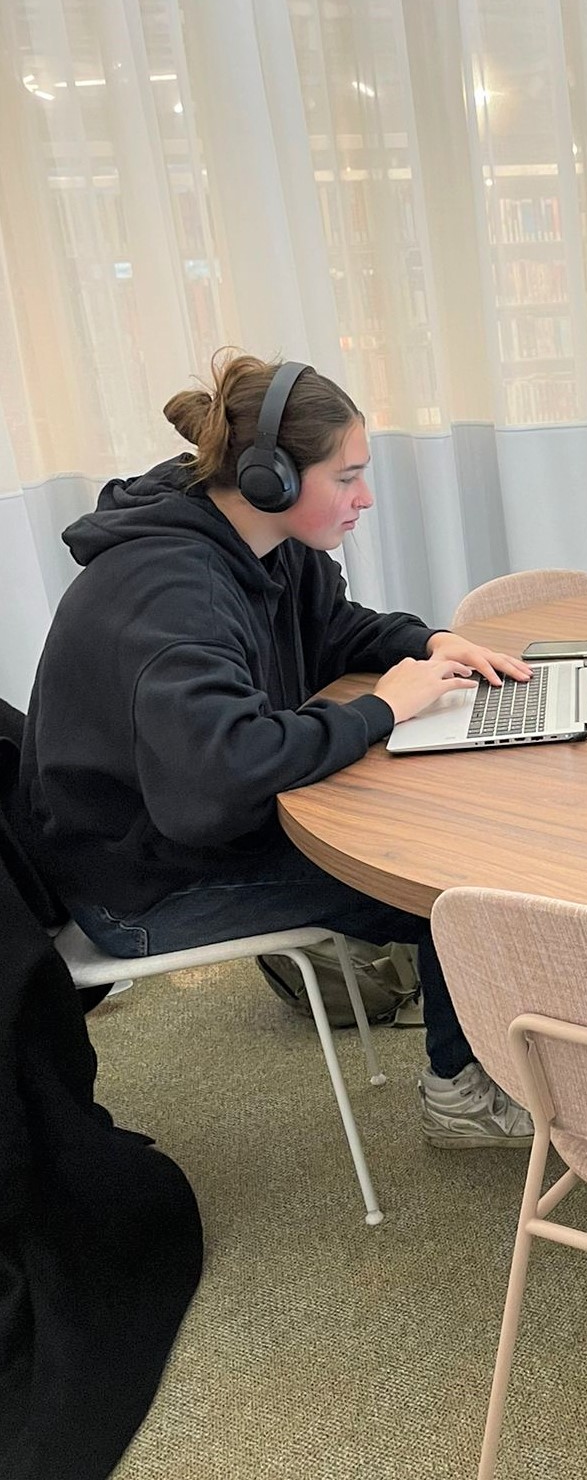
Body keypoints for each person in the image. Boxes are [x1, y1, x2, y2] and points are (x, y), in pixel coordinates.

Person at [18, 350, 535, 1148]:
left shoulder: (260, 543)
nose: (365, 498)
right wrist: (382, 711)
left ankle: (494, 1059)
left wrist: (432, 643)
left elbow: (334, 629)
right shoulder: (171, 592)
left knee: (454, 845)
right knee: (456, 886)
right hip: (141, 888)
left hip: (187, 833)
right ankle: (461, 1097)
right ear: (273, 480)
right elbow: (226, 770)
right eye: (347, 477)